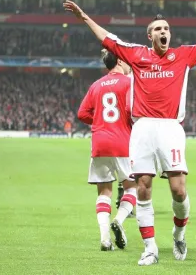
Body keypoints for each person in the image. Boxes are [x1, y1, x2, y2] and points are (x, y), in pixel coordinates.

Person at [64, 0, 196, 265]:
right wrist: (83, 17)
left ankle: (179, 233)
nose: (164, 32)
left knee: (179, 191)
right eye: (158, 29)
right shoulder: (136, 55)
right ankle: (149, 248)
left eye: (167, 29)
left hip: (170, 128)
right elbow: (108, 39)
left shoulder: (183, 56)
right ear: (150, 36)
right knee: (143, 188)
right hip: (143, 129)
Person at [78, 49, 137, 251]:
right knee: (132, 187)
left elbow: (82, 113)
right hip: (123, 143)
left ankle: (105, 239)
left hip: (100, 143)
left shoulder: (96, 85)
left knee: (104, 192)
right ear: (120, 60)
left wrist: (98, 120)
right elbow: (136, 111)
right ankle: (119, 220)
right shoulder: (130, 82)